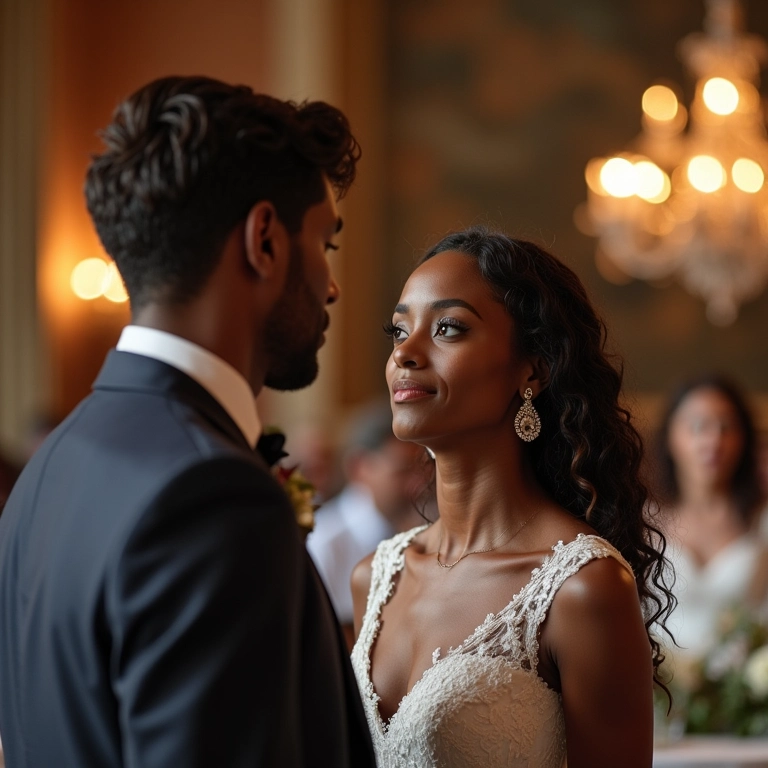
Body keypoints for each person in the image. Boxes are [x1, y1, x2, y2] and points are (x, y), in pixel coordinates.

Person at [0, 76, 375, 767]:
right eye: (327, 244)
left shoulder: (51, 464)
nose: (331, 285)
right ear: (264, 240)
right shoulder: (213, 495)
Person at [350, 227, 672, 768]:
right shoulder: (375, 577)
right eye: (399, 329)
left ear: (534, 368)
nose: (405, 353)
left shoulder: (582, 588)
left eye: (448, 328)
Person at [654, 374, 768, 659]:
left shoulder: (761, 522)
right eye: (697, 425)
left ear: (744, 440)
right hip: (656, 686)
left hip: (740, 694)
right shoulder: (644, 522)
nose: (713, 439)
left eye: (726, 427)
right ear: (670, 436)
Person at [307, 400, 428, 647]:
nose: (419, 484)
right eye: (404, 470)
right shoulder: (323, 544)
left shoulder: (424, 530)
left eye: (423, 469)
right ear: (359, 467)